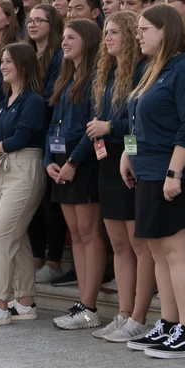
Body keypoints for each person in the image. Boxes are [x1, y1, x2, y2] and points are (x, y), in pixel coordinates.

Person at [122, 4, 185, 359]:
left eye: (145, 28)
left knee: (177, 252)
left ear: (166, 31)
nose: (138, 34)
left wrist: (174, 172)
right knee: (159, 253)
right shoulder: (150, 69)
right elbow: (132, 117)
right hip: (147, 172)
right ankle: (169, 322)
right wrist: (127, 154)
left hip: (174, 175)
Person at [0, 42, 49, 326]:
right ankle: (25, 301)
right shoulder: (4, 103)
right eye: (1, 61)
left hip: (24, 168)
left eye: (8, 61)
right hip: (2, 170)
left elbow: (21, 138)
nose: (2, 66)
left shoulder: (33, 100)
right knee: (19, 239)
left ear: (24, 65)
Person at [88, 11, 148, 342]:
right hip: (106, 161)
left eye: (114, 32)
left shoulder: (139, 70)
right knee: (118, 245)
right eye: (106, 33)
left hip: (130, 157)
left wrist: (109, 127)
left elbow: (138, 122)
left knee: (138, 244)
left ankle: (139, 316)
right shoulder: (108, 73)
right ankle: (124, 313)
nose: (108, 38)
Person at [48, 18, 107, 330]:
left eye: (71, 37)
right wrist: (50, 161)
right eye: (64, 37)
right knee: (77, 238)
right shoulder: (65, 78)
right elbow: (52, 126)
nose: (64, 42)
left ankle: (90, 306)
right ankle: (82, 303)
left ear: (87, 40)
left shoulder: (97, 77)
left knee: (89, 234)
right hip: (61, 163)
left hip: (81, 163)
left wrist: (73, 161)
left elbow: (93, 127)